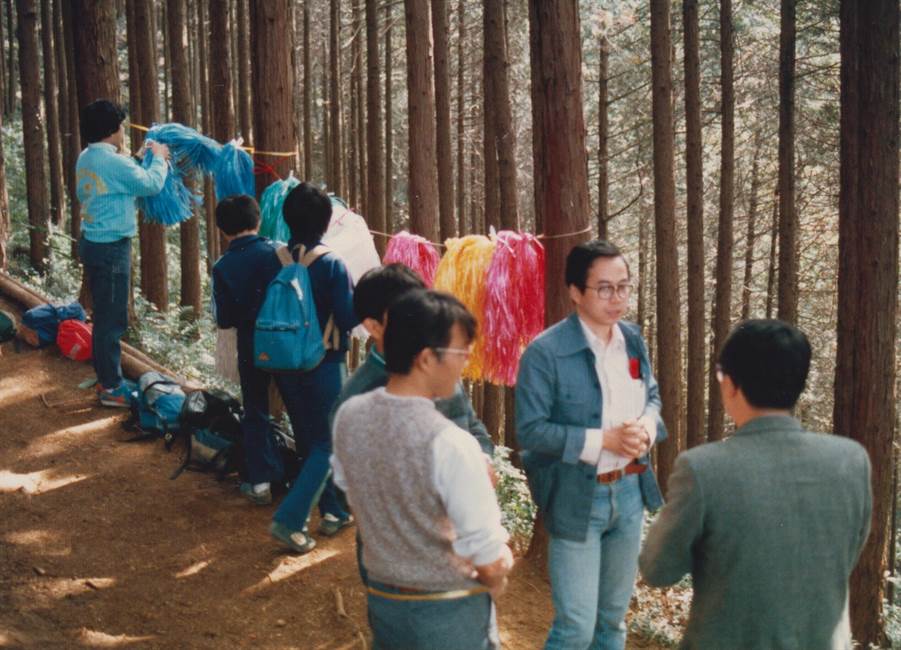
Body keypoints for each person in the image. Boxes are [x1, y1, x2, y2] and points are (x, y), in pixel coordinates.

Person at [639, 319, 872, 649]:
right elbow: (846, 555)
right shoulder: (852, 460)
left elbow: (657, 569)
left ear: (731, 384)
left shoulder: (702, 468)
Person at [332, 289, 513, 650]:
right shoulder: (450, 444)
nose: (465, 362)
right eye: (461, 352)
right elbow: (489, 561)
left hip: (385, 604)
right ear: (427, 360)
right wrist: (501, 567)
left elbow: (350, 491)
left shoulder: (348, 417)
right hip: (449, 615)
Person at [516, 239, 667, 650]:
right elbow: (530, 431)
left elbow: (652, 397)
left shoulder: (632, 341)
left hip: (630, 494)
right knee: (576, 628)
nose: (616, 298)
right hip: (576, 497)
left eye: (623, 286)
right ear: (575, 292)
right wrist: (605, 439)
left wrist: (645, 430)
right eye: (604, 288)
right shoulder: (545, 353)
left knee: (613, 624)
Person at [269, 182, 358, 554]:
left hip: (283, 361)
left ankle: (334, 510)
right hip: (324, 362)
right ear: (326, 222)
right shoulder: (332, 263)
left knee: (310, 439)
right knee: (330, 441)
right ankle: (290, 520)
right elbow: (348, 317)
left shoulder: (274, 258)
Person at [76, 99, 170, 407]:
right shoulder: (115, 163)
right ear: (111, 130)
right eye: (120, 126)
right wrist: (159, 158)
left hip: (93, 241)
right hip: (111, 247)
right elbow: (152, 185)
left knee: (104, 315)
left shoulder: (87, 157)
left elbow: (113, 180)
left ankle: (108, 378)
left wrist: (137, 158)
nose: (123, 131)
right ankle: (111, 388)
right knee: (110, 320)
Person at [211, 195, 286, 505]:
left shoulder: (223, 266)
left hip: (250, 343)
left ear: (223, 230)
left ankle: (260, 483)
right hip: (285, 342)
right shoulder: (277, 253)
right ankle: (312, 479)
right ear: (258, 221)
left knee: (255, 409)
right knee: (297, 404)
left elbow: (224, 318)